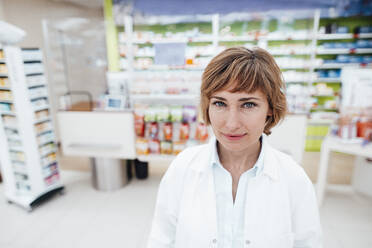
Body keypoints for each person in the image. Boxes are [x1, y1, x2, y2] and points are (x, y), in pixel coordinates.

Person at [147, 47, 322, 248]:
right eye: (220, 103)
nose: (231, 123)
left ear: (271, 110)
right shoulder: (183, 167)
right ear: (207, 106)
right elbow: (161, 238)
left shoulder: (293, 178)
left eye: (248, 105)